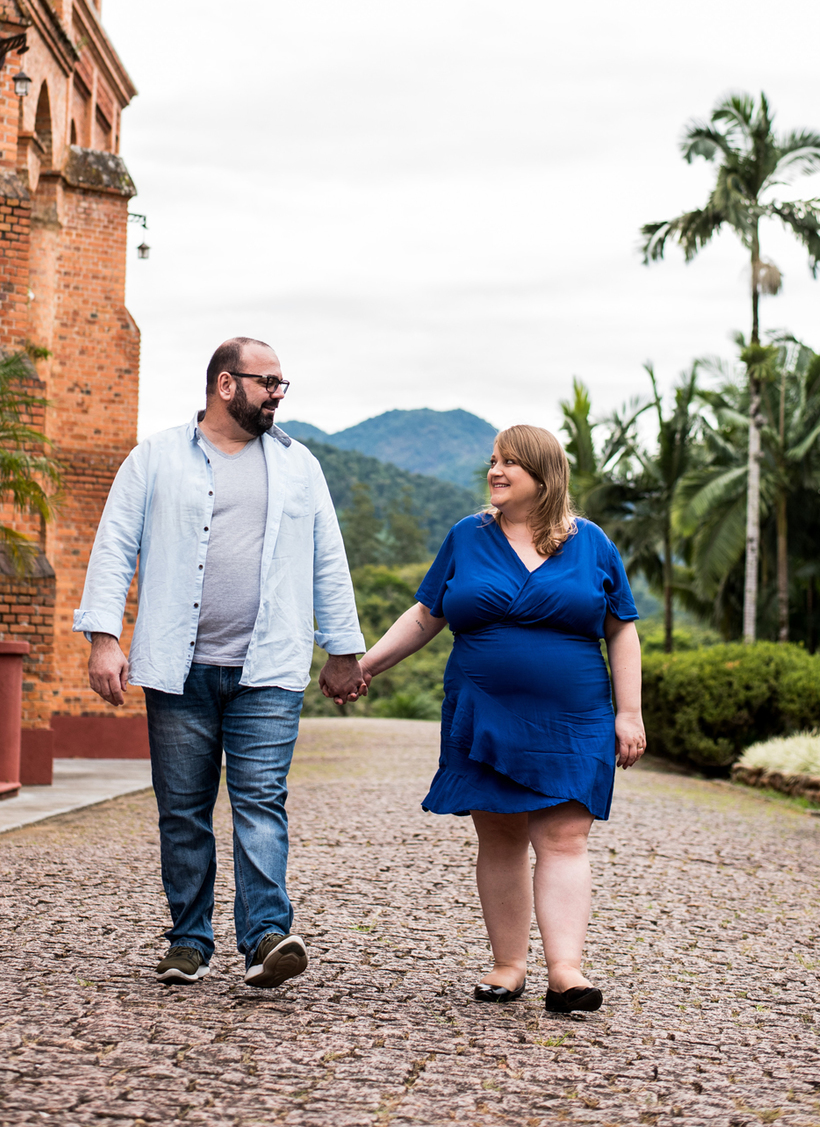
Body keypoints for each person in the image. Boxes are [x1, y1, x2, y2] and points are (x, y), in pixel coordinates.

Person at [74, 337, 365, 990]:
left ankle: (265, 936)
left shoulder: (299, 466)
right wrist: (103, 637)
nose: (279, 395)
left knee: (261, 800)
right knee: (183, 808)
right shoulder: (154, 459)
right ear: (226, 385)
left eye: (283, 384)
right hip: (179, 668)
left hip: (269, 667)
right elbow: (114, 543)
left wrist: (343, 650)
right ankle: (188, 940)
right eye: (269, 383)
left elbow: (328, 559)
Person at [353, 423, 645, 1014]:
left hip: (575, 716)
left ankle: (566, 971)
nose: (495, 471)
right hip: (484, 712)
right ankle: (508, 965)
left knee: (564, 837)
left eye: (510, 462)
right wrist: (363, 668)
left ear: (545, 475)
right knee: (501, 834)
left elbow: (622, 630)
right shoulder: (466, 536)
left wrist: (630, 712)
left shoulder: (593, 544)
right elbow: (424, 616)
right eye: (493, 460)